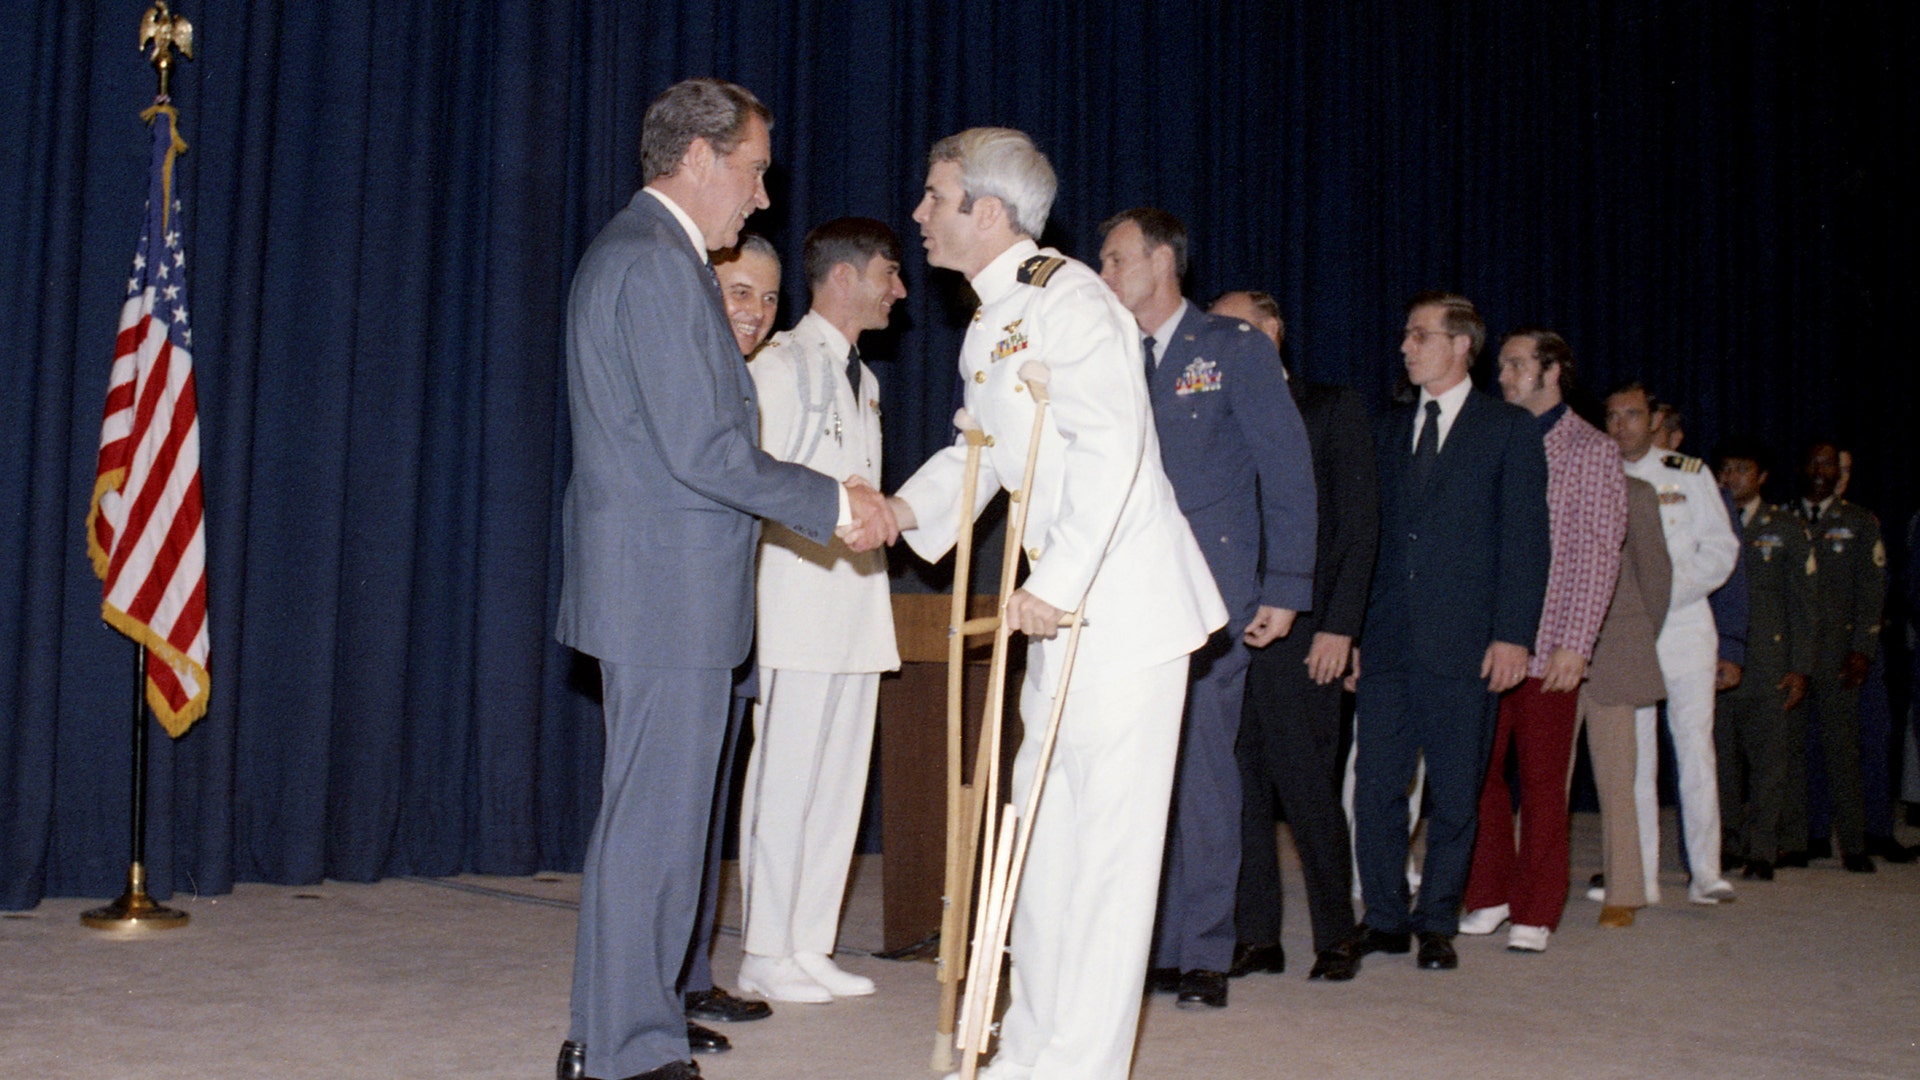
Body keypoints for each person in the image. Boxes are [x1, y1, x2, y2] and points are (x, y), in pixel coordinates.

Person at [553, 78, 894, 1080]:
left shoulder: (650, 256)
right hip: (664, 593)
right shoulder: (655, 263)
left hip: (662, 589)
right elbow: (703, 447)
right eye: (751, 170)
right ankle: (629, 1051)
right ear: (698, 157)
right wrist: (833, 501)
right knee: (652, 835)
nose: (760, 197)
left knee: (649, 830)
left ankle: (607, 1031)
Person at [888, 127, 1227, 1079]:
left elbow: (1115, 451)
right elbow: (984, 452)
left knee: (1107, 859)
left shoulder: (1073, 303)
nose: (920, 213)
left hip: (1117, 609)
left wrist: (1056, 584)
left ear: (986, 212)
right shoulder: (994, 317)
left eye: (935, 195)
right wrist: (898, 511)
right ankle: (1030, 1048)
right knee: (1040, 837)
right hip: (1060, 608)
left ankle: (1080, 1065)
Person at [1096, 211, 1316, 1010]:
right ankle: (1145, 944)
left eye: (1117, 257)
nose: (1106, 271)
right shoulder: (1107, 351)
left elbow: (1286, 469)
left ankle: (1201, 950)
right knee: (1132, 774)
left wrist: (1287, 586)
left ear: (1161, 260)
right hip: (1122, 594)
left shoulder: (1231, 349)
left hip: (1210, 598)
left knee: (1203, 773)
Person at [1348, 292, 1550, 973]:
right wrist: (1351, 634)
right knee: (1376, 786)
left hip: (1467, 644)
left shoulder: (1507, 430)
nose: (1405, 347)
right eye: (1406, 335)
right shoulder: (1387, 429)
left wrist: (1513, 635)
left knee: (1457, 791)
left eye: (1420, 335)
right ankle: (1383, 917)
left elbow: (1526, 543)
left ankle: (1437, 918)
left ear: (1462, 345)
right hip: (1388, 643)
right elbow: (1369, 541)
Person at [735, 218, 905, 1002]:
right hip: (798, 603)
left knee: (838, 787)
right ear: (843, 278)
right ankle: (764, 950)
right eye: (888, 274)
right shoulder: (780, 363)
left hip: (856, 608)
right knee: (787, 782)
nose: (899, 291)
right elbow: (755, 478)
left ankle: (809, 943)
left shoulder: (864, 380)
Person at [1210, 290, 1375, 983]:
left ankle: (1337, 934)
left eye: (1235, 328)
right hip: (1231, 631)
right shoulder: (1213, 413)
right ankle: (1258, 936)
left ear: (1272, 332)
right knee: (1239, 789)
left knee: (1308, 787)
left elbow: (1358, 528)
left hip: (1306, 631)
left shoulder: (1332, 408)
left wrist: (1340, 626)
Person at [1459, 329, 1625, 953]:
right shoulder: (1493, 435)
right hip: (1488, 639)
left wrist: (1576, 642)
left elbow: (1596, 553)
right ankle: (1491, 892)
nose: (1502, 375)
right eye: (1500, 364)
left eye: (1516, 365)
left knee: (1544, 779)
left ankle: (1536, 907)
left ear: (1555, 371)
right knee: (1478, 774)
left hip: (1552, 640)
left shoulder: (1590, 450)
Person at [671, 235, 788, 1057]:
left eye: (769, 299)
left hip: (727, 622)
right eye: (739, 291)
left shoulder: (741, 378)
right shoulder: (687, 370)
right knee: (669, 821)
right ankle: (652, 993)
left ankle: (687, 974)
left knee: (706, 812)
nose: (753, 312)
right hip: (672, 623)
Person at [1606, 382, 1739, 905]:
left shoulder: (1688, 473)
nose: (1622, 426)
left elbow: (1721, 549)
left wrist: (1664, 595)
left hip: (1684, 626)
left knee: (1695, 747)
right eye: (1613, 416)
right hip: (1626, 633)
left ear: (1653, 420)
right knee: (1633, 756)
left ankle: (1706, 872)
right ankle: (1640, 875)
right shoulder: (1599, 473)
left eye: (1633, 415)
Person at [1712, 438, 1815, 880]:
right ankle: (1727, 842)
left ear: (1762, 477)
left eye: (1742, 469)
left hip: (1769, 661)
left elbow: (1805, 602)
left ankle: (1763, 848)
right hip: (1717, 656)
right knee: (1719, 756)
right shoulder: (1710, 519)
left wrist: (1801, 665)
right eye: (1726, 468)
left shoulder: (1785, 526)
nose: (1731, 477)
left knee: (1769, 760)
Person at [1577, 477, 1672, 927]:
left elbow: (1656, 577)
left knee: (1618, 776)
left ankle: (1625, 889)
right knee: (1545, 777)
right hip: (1551, 648)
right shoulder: (1540, 479)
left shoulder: (1633, 493)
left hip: (1614, 648)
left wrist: (1635, 637)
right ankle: (1539, 887)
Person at [1794, 441, 1887, 872]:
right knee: (1792, 750)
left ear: (1839, 472)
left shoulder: (1858, 522)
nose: (1819, 470)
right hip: (1791, 655)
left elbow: (1873, 590)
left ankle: (1853, 843)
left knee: (1842, 750)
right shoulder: (1782, 519)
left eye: (1827, 464)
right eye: (1813, 462)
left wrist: (1863, 649)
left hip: (1837, 655)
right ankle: (1802, 838)